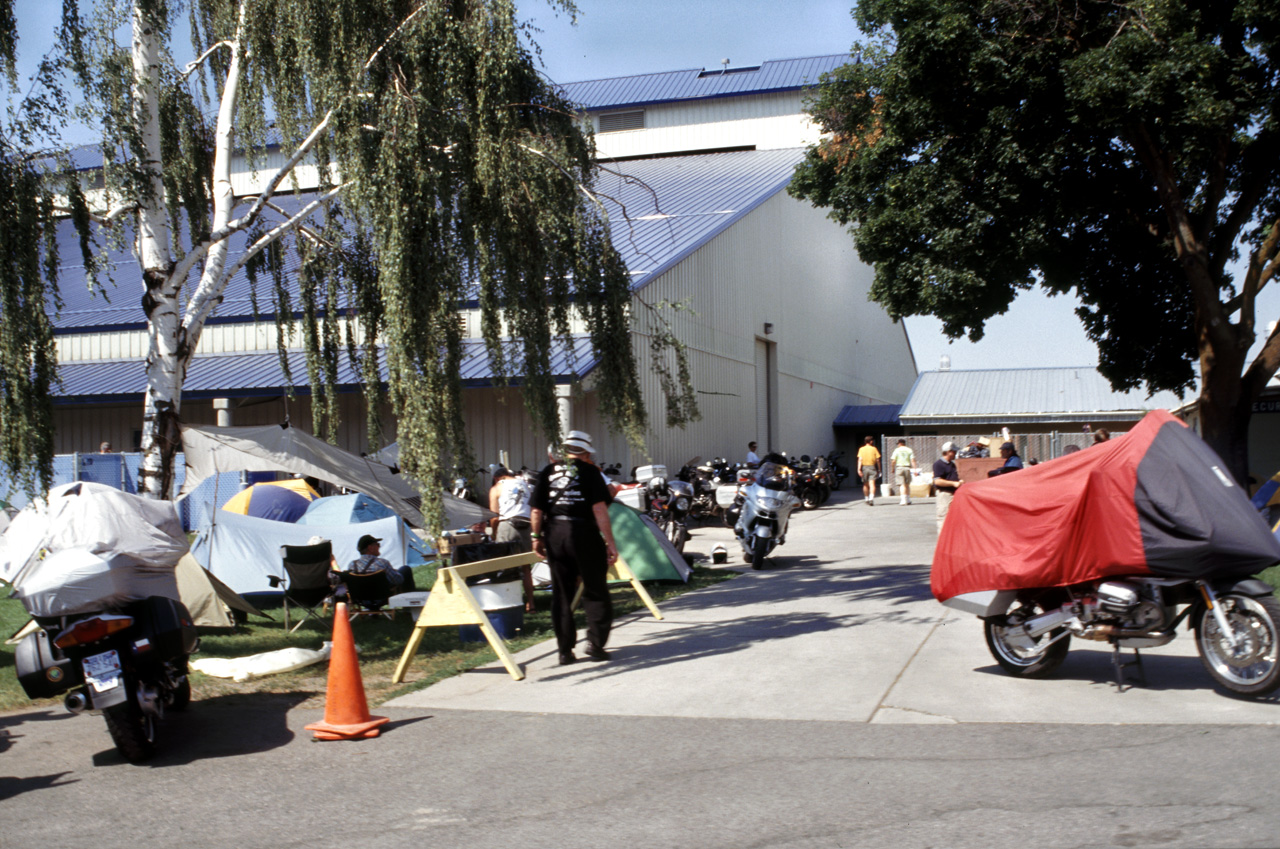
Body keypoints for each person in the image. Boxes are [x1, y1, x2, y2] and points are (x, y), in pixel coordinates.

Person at [530, 430, 619, 665]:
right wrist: (610, 542)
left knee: (561, 592)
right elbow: (599, 509)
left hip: (556, 534)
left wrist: (535, 537)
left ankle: (565, 651)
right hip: (585, 533)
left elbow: (537, 510)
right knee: (595, 588)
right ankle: (596, 644)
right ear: (586, 452)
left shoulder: (547, 472)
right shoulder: (591, 472)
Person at [489, 466, 537, 612]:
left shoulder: (497, 488)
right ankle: (531, 603)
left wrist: (494, 532)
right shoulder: (525, 484)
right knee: (526, 567)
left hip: (507, 524)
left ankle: (508, 602)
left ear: (497, 478)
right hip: (526, 525)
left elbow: (494, 516)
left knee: (503, 566)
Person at [345, 534, 415, 591]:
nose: (379, 547)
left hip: (361, 599)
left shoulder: (352, 565)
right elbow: (397, 581)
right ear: (370, 548)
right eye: (377, 544)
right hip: (382, 597)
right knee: (405, 569)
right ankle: (409, 604)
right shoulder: (382, 563)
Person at [933, 442, 964, 533]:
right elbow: (937, 481)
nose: (955, 454)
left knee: (954, 519)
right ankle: (943, 544)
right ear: (949, 452)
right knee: (943, 519)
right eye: (954, 452)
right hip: (944, 494)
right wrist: (953, 484)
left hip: (953, 494)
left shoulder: (951, 464)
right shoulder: (938, 464)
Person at [890, 439, 916, 505]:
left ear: (899, 443)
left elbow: (893, 461)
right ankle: (908, 499)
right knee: (907, 485)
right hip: (907, 468)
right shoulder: (909, 450)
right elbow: (912, 460)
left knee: (902, 484)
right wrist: (915, 469)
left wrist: (893, 468)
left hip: (899, 468)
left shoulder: (897, 450)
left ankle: (903, 500)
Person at [857, 435, 881, 506]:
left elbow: (860, 459)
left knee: (865, 484)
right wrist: (879, 469)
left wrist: (859, 469)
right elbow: (878, 460)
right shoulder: (874, 449)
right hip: (872, 467)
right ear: (871, 441)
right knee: (872, 484)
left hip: (864, 468)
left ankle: (866, 498)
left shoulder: (861, 449)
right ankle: (871, 498)